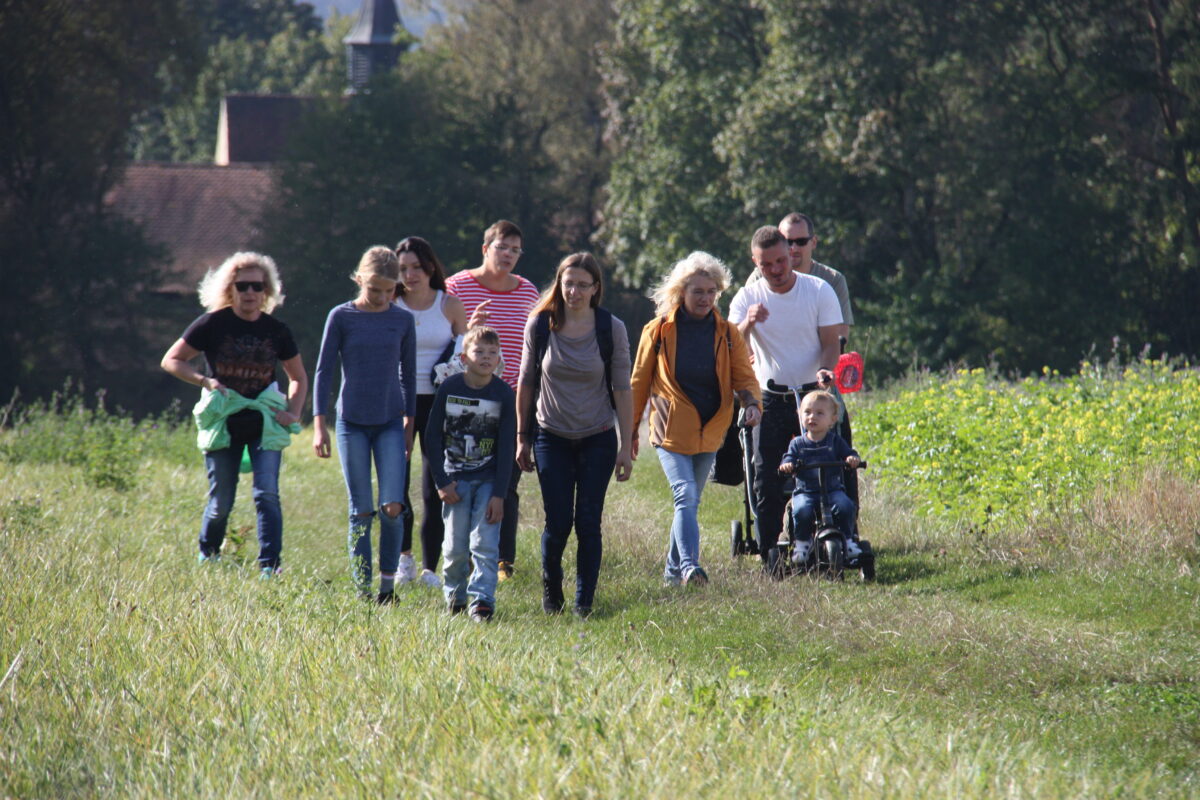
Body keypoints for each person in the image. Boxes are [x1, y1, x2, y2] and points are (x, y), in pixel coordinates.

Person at [160, 252, 307, 577]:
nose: (250, 292)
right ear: (231, 288)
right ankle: (209, 555)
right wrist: (204, 380)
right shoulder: (213, 323)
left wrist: (293, 412)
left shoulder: (276, 330)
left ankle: (270, 566)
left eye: (257, 285)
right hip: (223, 422)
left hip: (264, 423)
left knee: (267, 493)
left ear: (267, 290)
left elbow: (298, 377)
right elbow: (172, 360)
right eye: (243, 286)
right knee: (221, 502)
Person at [630, 251, 761, 586]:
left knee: (688, 501)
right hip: (669, 428)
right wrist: (629, 431)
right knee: (685, 495)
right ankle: (690, 566)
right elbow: (639, 382)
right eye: (698, 291)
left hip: (711, 430)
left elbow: (744, 378)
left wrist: (752, 404)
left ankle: (672, 577)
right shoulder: (657, 331)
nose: (705, 298)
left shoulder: (728, 333)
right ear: (681, 293)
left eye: (711, 291)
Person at [516, 253, 634, 618]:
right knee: (558, 521)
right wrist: (523, 436)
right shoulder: (540, 325)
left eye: (583, 285)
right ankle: (552, 593)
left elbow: (622, 389)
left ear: (595, 288)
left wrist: (625, 445)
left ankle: (584, 601)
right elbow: (526, 382)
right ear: (559, 283)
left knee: (588, 521)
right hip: (551, 435)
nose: (574, 291)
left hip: (597, 436)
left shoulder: (610, 328)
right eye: (568, 283)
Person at [727, 226, 842, 573]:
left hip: (813, 393)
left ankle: (836, 535)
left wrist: (825, 370)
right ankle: (770, 555)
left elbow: (831, 341)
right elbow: (733, 347)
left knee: (831, 465)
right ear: (755, 263)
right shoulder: (746, 297)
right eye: (767, 264)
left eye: (781, 261)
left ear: (790, 256)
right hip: (769, 397)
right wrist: (748, 323)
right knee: (765, 475)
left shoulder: (818, 289)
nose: (776, 270)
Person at [311, 246, 417, 602]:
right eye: (375, 290)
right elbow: (324, 370)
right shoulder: (341, 317)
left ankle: (387, 588)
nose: (382, 297)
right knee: (362, 510)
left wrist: (409, 423)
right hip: (351, 422)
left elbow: (408, 374)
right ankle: (362, 589)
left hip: (389, 420)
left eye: (390, 291)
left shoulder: (402, 320)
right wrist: (318, 423)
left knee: (392, 507)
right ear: (359, 280)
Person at [445, 220, 539, 582]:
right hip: (466, 400)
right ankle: (461, 555)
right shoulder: (457, 286)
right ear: (485, 249)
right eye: (503, 247)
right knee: (465, 479)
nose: (509, 256)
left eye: (516, 250)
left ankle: (504, 560)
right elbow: (448, 341)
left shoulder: (528, 291)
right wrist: (469, 328)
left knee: (506, 480)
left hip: (514, 399)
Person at [424, 326, 516, 622]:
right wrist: (441, 481)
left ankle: (482, 601)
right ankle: (455, 596)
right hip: (455, 480)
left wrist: (500, 494)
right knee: (454, 547)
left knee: (485, 543)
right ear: (464, 357)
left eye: (492, 353)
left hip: (489, 480)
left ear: (499, 358)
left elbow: (506, 447)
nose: (486, 358)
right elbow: (432, 437)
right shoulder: (450, 388)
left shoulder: (503, 393)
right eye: (479, 352)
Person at [394, 236, 468, 589]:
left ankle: (430, 568)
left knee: (435, 486)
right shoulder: (391, 304)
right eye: (403, 268)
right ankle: (403, 559)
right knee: (398, 483)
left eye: (417, 267)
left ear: (431, 268)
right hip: (398, 403)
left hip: (439, 404)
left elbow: (463, 354)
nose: (410, 275)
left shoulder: (450, 305)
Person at [778, 390, 861, 563]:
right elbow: (789, 457)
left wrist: (852, 459)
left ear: (832, 419)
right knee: (801, 510)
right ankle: (802, 542)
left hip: (832, 490)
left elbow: (849, 453)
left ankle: (848, 539)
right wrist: (787, 465)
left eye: (819, 413)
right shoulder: (797, 443)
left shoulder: (835, 441)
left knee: (845, 505)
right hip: (805, 491)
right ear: (799, 415)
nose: (812, 417)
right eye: (807, 412)